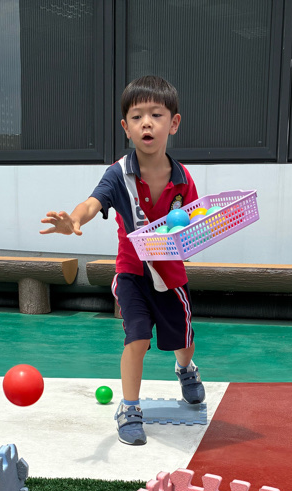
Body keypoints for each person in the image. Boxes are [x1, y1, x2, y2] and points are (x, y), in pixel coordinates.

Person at [40, 75, 204, 446]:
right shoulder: (118, 175)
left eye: (156, 115)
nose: (147, 123)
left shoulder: (183, 179)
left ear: (174, 123)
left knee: (183, 339)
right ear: (125, 127)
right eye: (137, 116)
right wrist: (73, 220)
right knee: (137, 338)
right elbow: (91, 203)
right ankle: (129, 408)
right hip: (131, 274)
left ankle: (185, 369)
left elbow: (194, 222)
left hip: (171, 276)